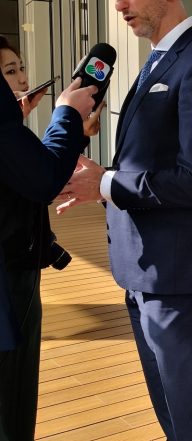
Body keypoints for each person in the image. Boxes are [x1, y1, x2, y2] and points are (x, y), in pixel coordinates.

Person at [56, 1, 192, 439]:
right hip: (142, 272)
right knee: (172, 414)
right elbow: (148, 162)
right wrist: (99, 181)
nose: (119, 5)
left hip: (177, 278)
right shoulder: (158, 60)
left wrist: (106, 183)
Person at [0, 71, 97, 440]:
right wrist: (66, 115)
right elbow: (40, 178)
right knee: (11, 400)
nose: (21, 79)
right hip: (10, 271)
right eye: (8, 72)